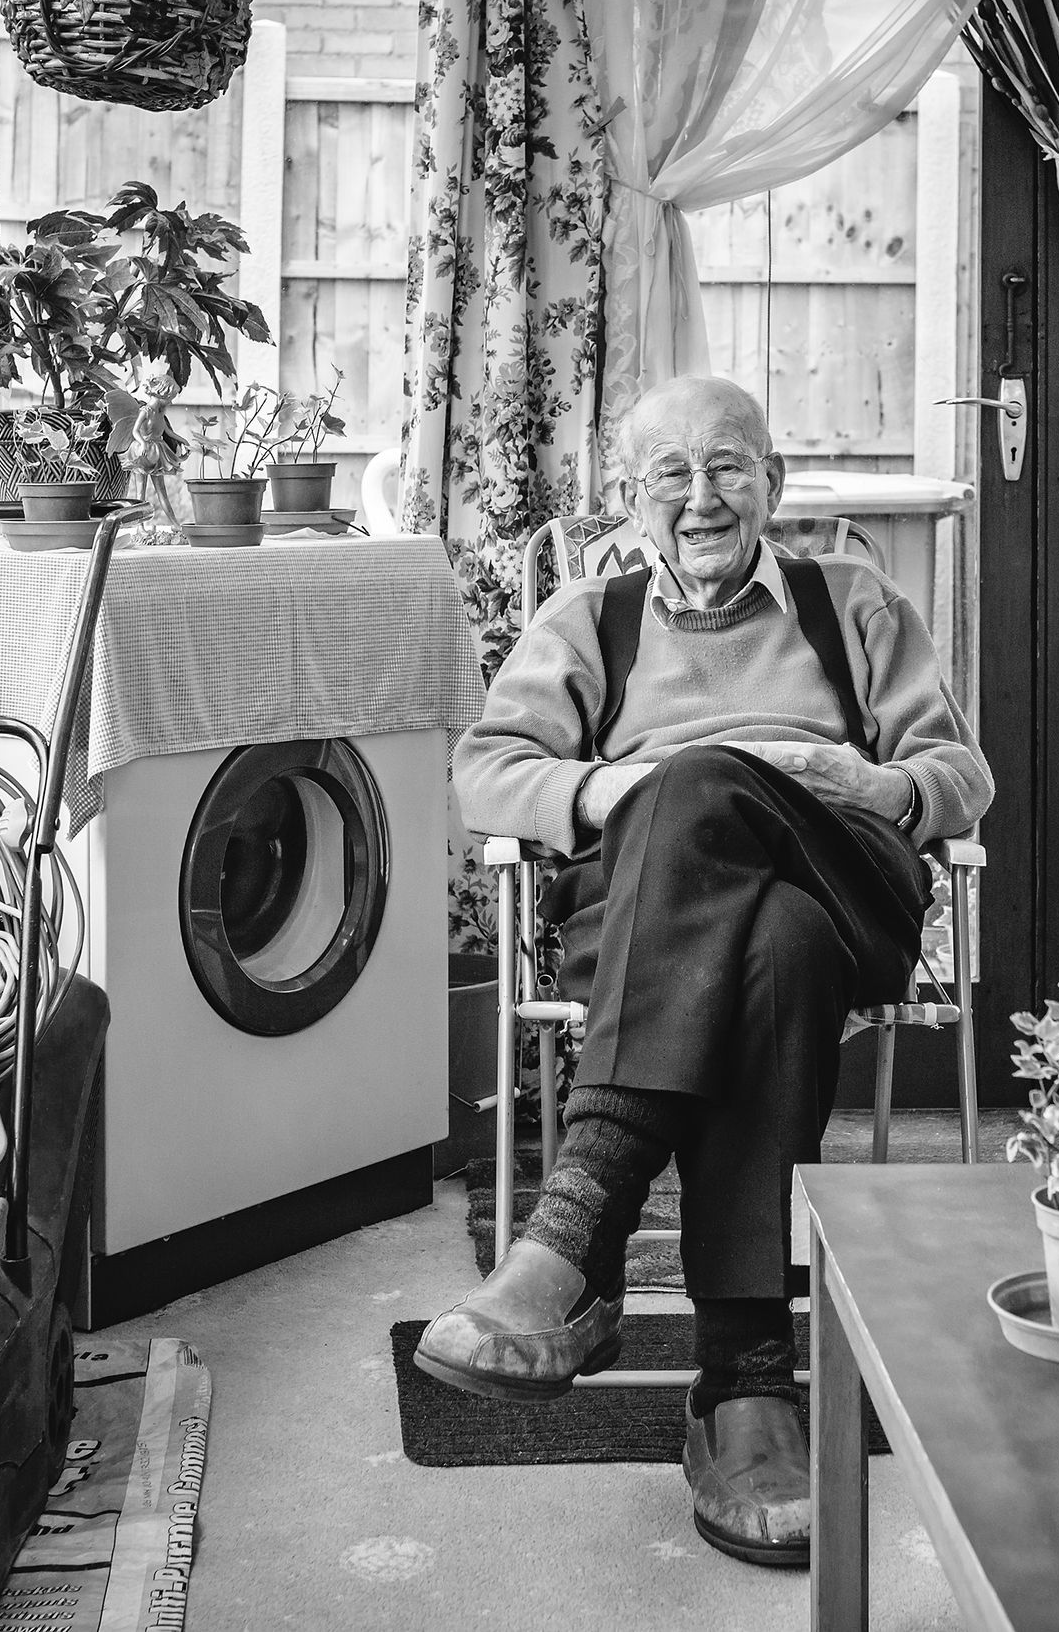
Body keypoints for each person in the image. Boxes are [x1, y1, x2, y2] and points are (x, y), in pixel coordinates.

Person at [419, 375, 993, 1566]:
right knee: (763, 934)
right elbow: (486, 770)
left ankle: (570, 1236)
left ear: (774, 484)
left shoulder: (852, 601)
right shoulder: (593, 614)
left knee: (711, 785)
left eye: (729, 465)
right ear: (631, 499)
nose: (701, 495)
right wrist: (596, 787)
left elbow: (957, 772)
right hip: (669, 914)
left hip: (846, 876)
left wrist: (884, 788)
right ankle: (744, 1385)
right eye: (669, 473)